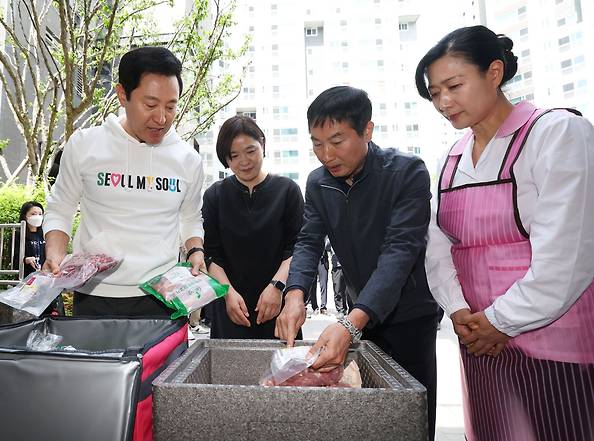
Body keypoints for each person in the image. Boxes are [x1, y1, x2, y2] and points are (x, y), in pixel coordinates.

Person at [416, 25, 594, 441]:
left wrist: (500, 322)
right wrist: (460, 312)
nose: (443, 102)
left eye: (454, 86)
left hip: (553, 345)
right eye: (434, 93)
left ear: (494, 72)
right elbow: (437, 247)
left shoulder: (556, 133)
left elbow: (569, 258)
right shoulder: (451, 158)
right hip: (479, 342)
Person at [275, 86, 439, 440]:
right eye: (316, 143)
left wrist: (351, 324)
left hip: (409, 314)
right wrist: (294, 295)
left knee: (412, 414)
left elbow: (400, 250)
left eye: (336, 140)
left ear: (367, 130)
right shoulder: (319, 183)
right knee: (366, 416)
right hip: (359, 316)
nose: (326, 155)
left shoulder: (406, 172)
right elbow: (308, 240)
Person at [43, 46, 205, 318]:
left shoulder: (188, 159)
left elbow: (190, 217)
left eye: (171, 106)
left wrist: (196, 251)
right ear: (122, 95)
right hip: (95, 295)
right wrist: (54, 254)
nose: (162, 118)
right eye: (150, 105)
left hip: (163, 296)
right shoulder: (85, 145)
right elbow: (61, 207)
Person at [202, 115, 304, 339]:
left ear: (263, 145)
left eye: (250, 151)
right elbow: (211, 254)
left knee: (284, 372)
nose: (244, 161)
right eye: (234, 156)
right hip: (231, 306)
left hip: (277, 304)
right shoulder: (214, 196)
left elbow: (297, 248)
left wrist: (277, 286)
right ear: (225, 159)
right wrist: (227, 293)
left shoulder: (287, 191)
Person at [14, 201, 62, 316]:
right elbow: (14, 257)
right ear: (25, 216)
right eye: (33, 214)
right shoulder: (19, 234)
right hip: (28, 280)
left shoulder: (46, 234)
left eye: (40, 214)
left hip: (46, 280)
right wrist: (25, 259)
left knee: (49, 312)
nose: (38, 217)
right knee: (29, 312)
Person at [330, 247, 349, 318]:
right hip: (336, 267)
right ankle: (340, 309)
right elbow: (326, 246)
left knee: (348, 290)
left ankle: (350, 308)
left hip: (346, 266)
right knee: (337, 289)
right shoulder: (330, 238)